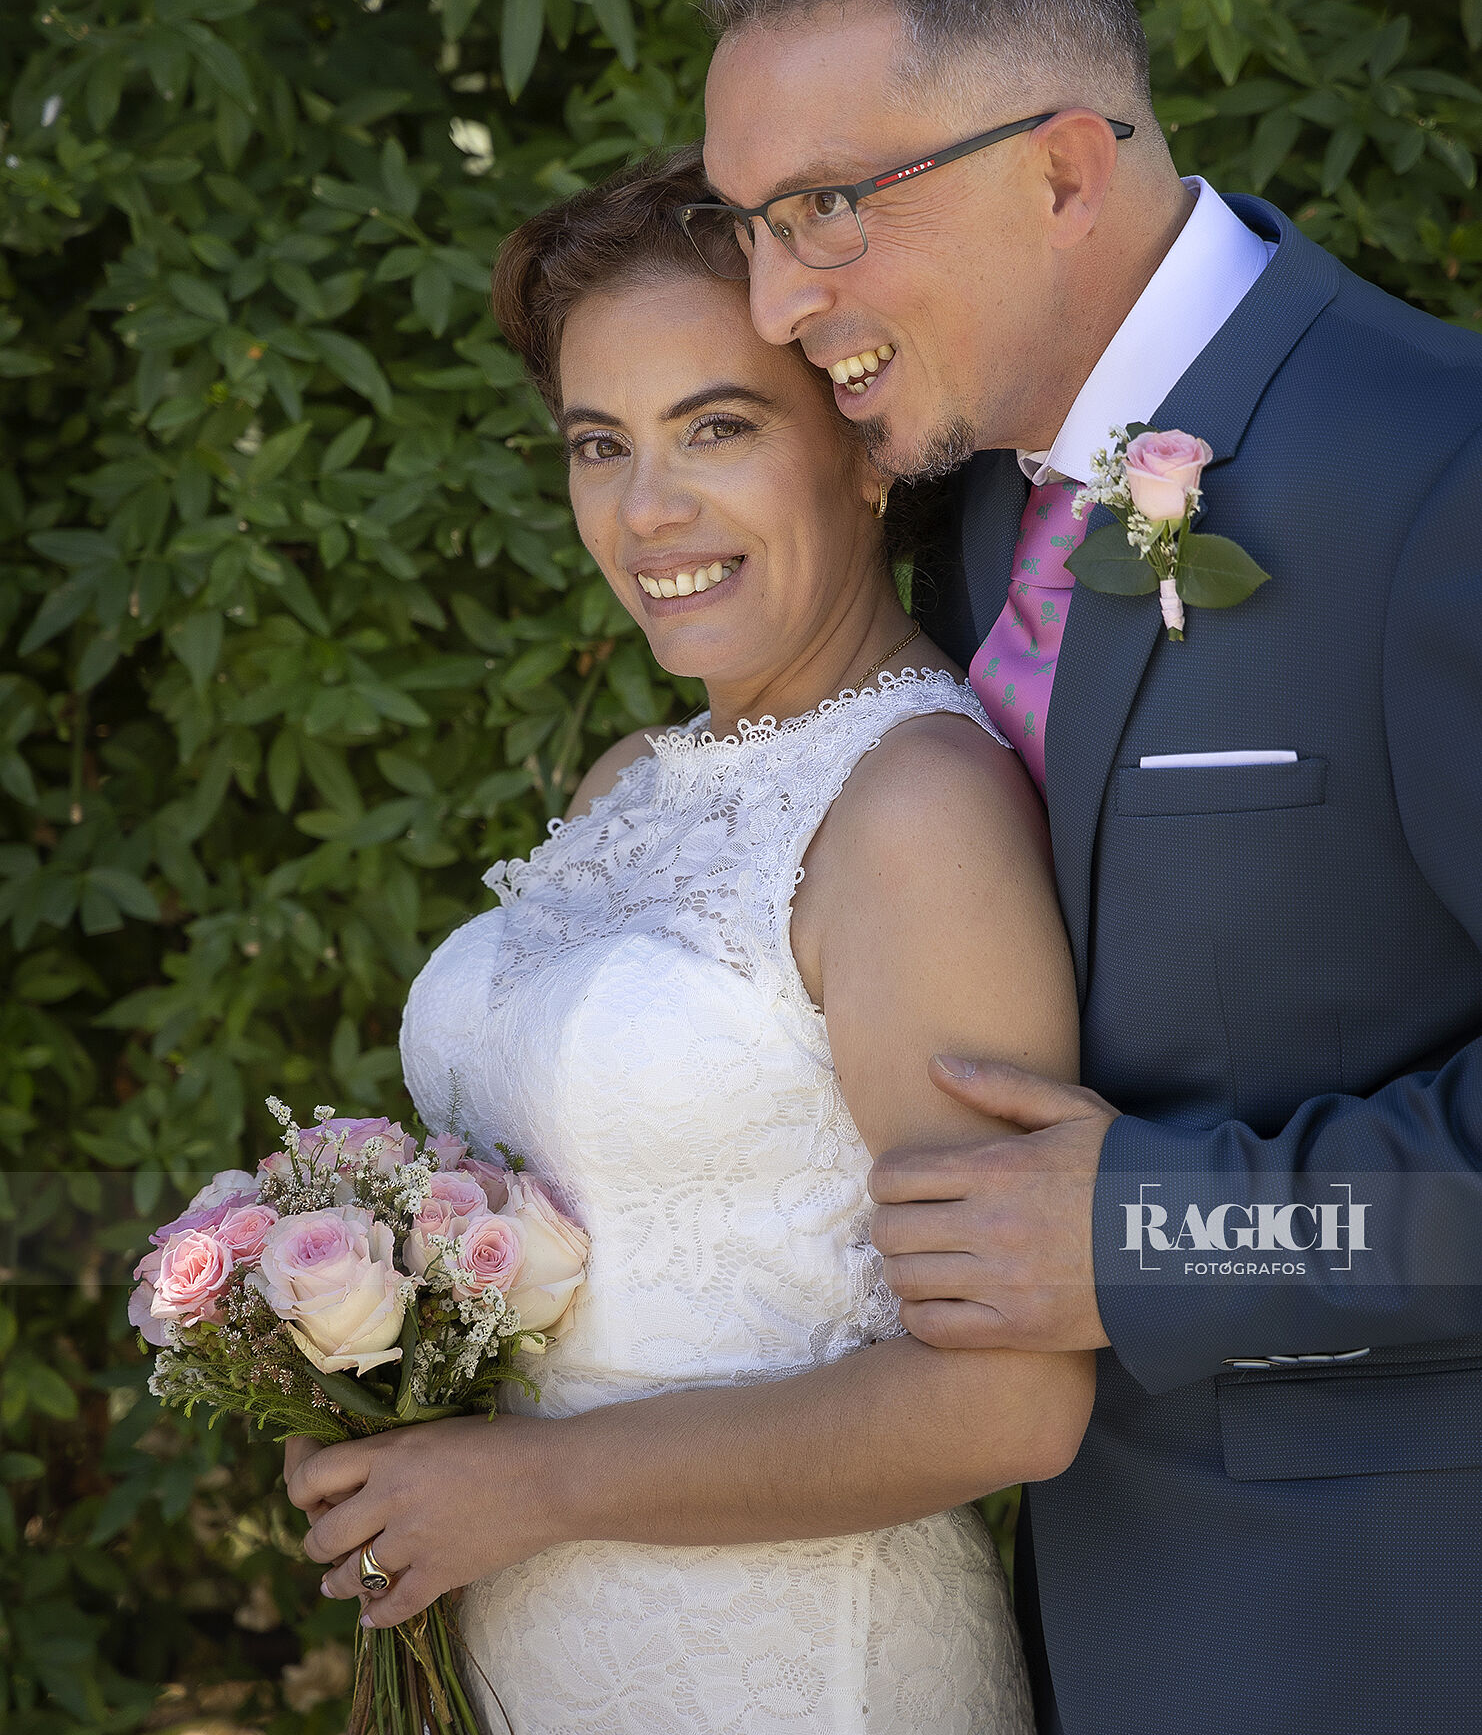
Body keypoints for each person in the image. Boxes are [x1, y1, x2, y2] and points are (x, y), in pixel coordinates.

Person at [694, 0, 1482, 1735]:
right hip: (1044, 1628)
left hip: (1384, 1630)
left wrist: (1164, 1232)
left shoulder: (1440, 479)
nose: (772, 302)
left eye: (822, 211)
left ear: (1056, 169)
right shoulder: (969, 503)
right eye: (742, 227)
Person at [283, 146, 1092, 1734]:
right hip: (538, 1650)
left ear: (864, 448)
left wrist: (532, 1484)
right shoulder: (628, 781)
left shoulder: (913, 810)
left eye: (716, 427)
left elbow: (1009, 1399)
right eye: (600, 444)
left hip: (798, 1670)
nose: (646, 510)